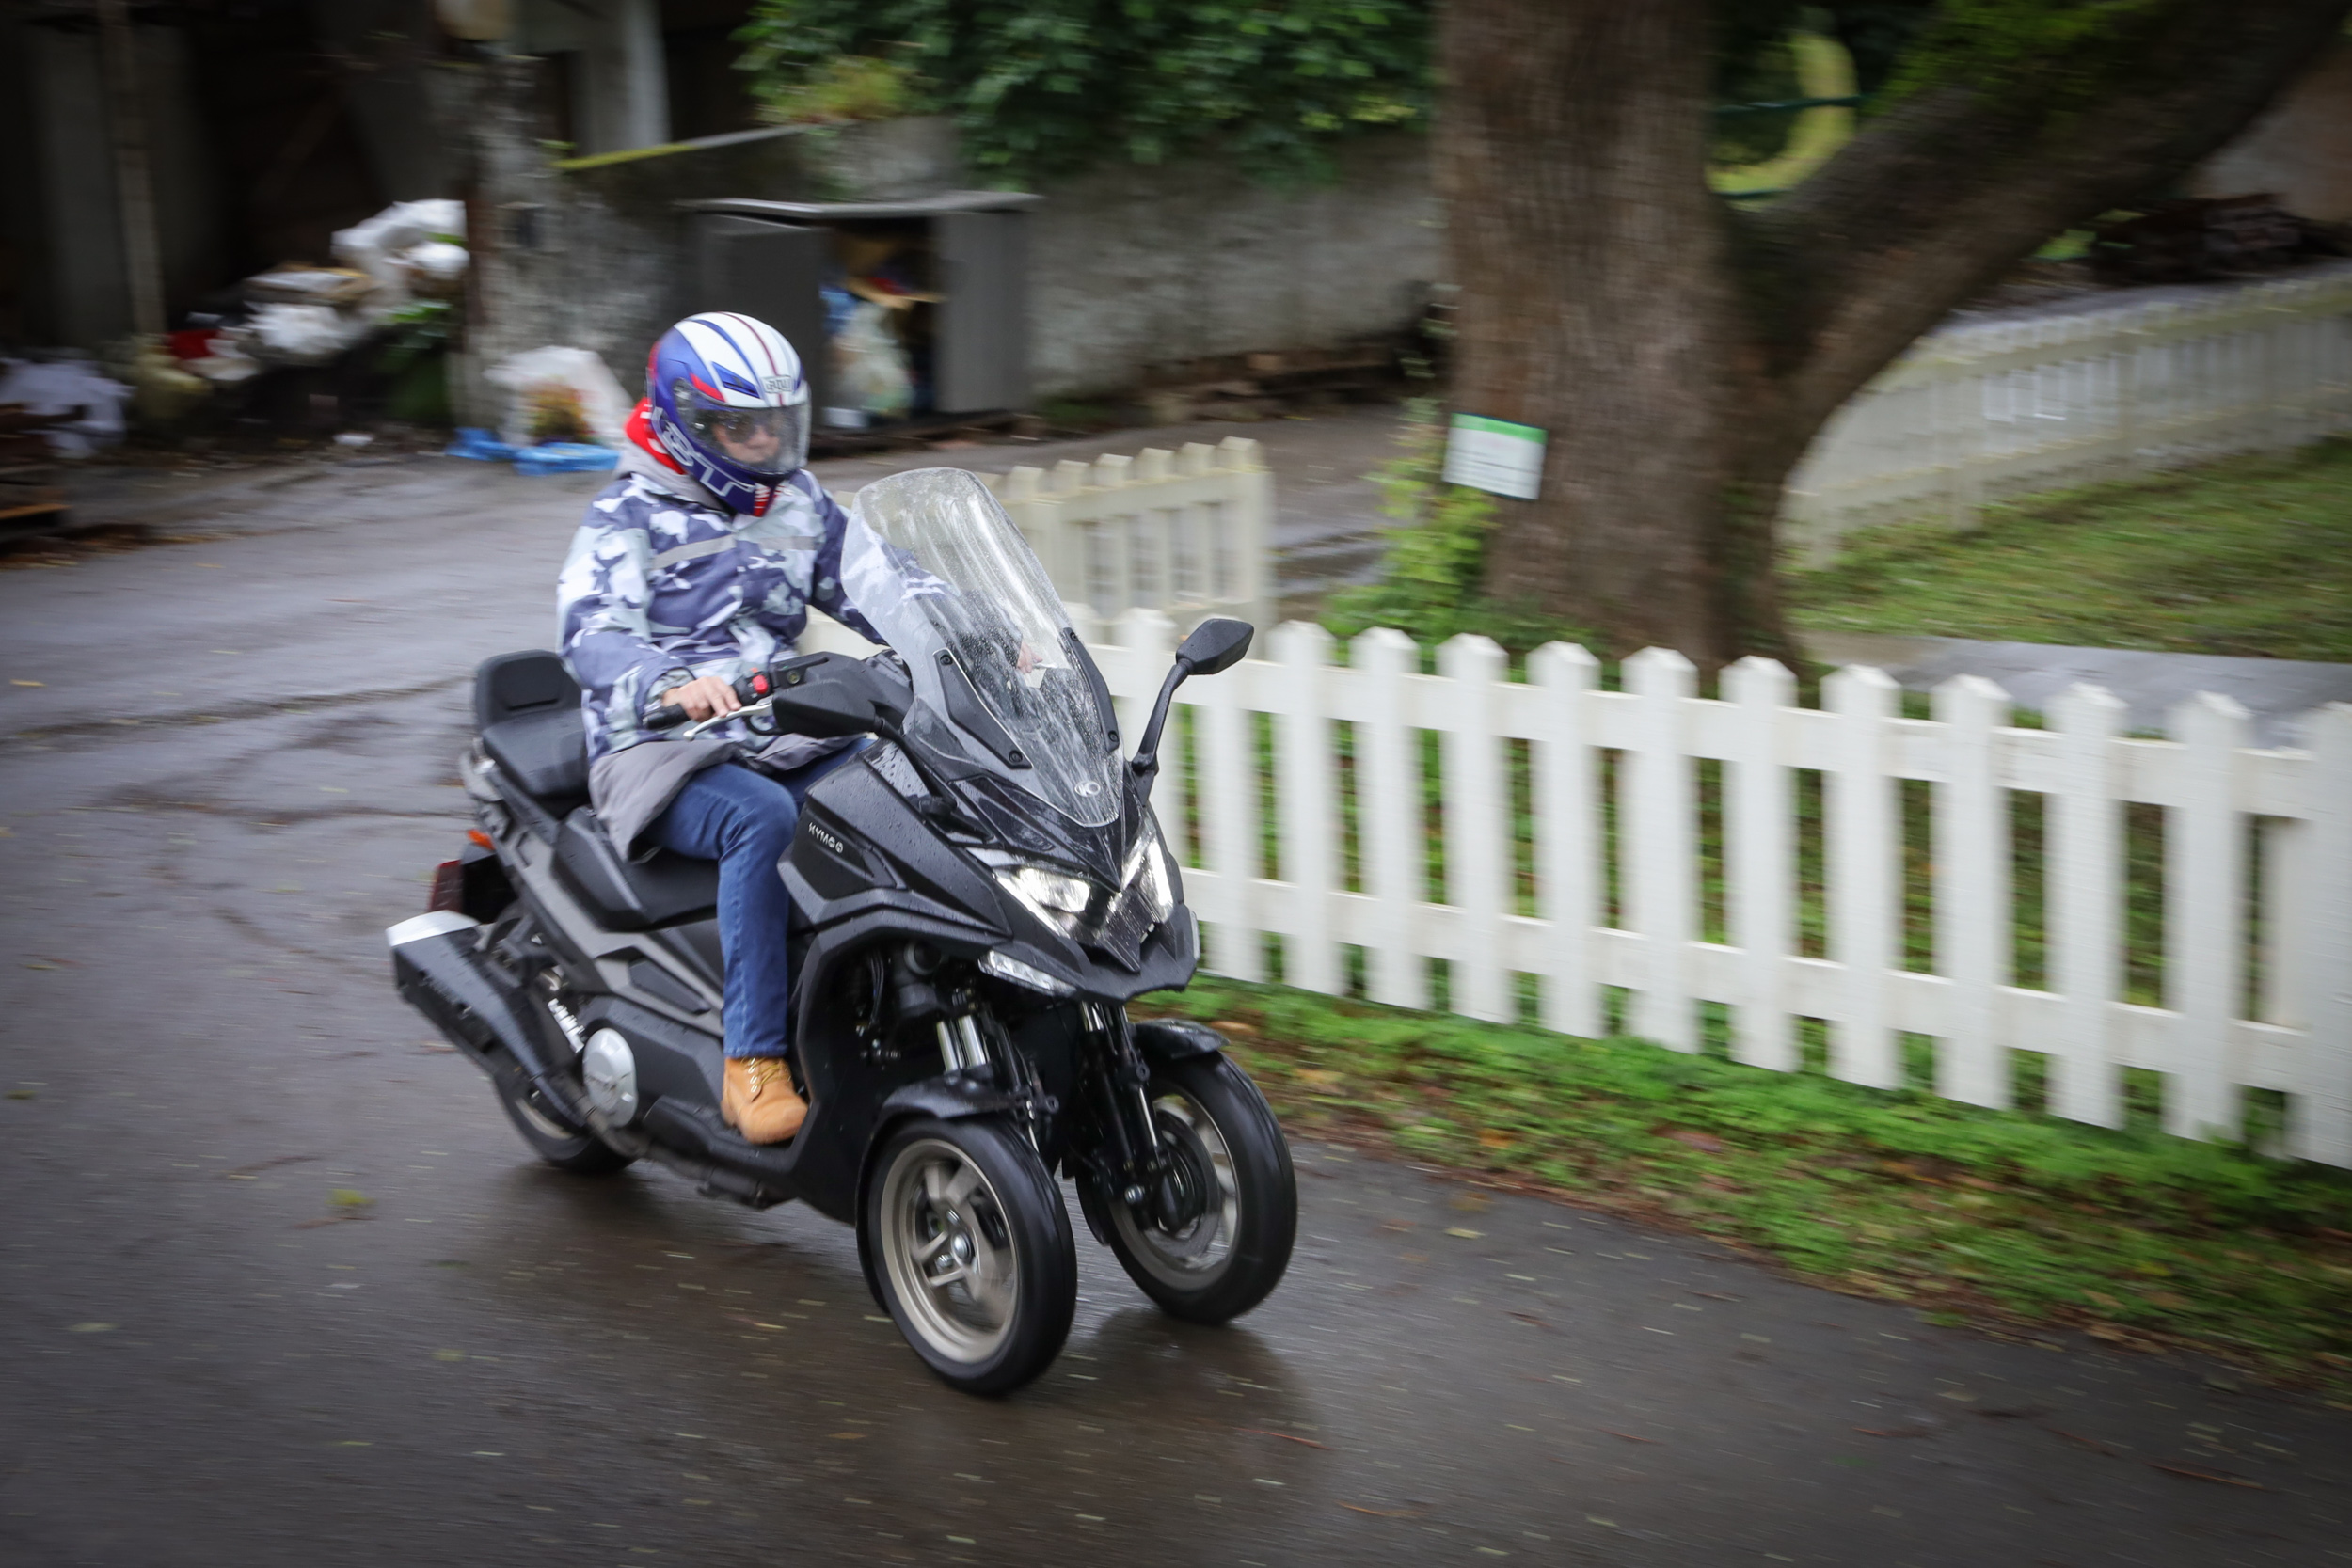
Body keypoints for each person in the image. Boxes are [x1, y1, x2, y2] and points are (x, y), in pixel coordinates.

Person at [557, 312, 886, 1145]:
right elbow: (592, 631)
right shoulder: (623, 515)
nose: (766, 440)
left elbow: (877, 583)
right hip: (655, 746)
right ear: (687, 423)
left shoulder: (797, 502)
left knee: (893, 783)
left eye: (778, 421)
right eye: (741, 425)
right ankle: (753, 1061)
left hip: (776, 727)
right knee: (762, 819)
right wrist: (671, 681)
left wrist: (966, 630)